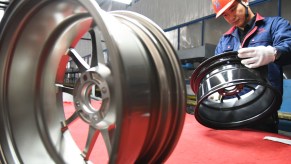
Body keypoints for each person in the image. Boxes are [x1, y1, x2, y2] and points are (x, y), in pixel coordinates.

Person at [211, 0, 291, 133]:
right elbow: (216, 70)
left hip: (263, 114)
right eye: (225, 15)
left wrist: (273, 53)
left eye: (233, 9)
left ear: (245, 1)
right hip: (229, 113)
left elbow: (288, 45)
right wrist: (215, 89)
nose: (231, 17)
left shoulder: (274, 25)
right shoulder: (225, 40)